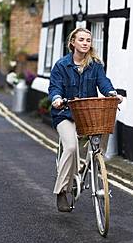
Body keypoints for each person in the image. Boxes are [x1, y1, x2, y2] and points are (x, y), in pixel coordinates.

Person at [48, 27, 123, 212]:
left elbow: (103, 82)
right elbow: (54, 87)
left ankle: (92, 161)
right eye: (81, 39)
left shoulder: (95, 64)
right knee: (71, 147)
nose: (85, 43)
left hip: (86, 114)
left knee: (105, 127)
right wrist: (57, 99)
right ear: (73, 42)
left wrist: (112, 93)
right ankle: (62, 191)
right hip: (64, 114)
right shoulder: (61, 65)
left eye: (88, 40)